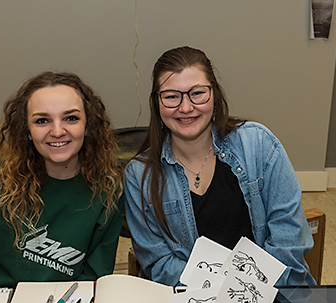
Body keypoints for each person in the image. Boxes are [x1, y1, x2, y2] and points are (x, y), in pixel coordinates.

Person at [124, 46, 315, 286]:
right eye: (172, 96)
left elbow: (289, 244)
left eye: (197, 93)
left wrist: (243, 296)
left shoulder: (258, 144)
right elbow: (160, 264)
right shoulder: (139, 175)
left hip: (272, 294)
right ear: (157, 103)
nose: (185, 107)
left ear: (214, 95)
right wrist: (217, 297)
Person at [0, 72, 123, 288]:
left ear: (88, 126)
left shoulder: (109, 189)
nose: (57, 131)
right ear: (26, 130)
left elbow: (94, 278)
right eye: (42, 120)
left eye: (71, 118)